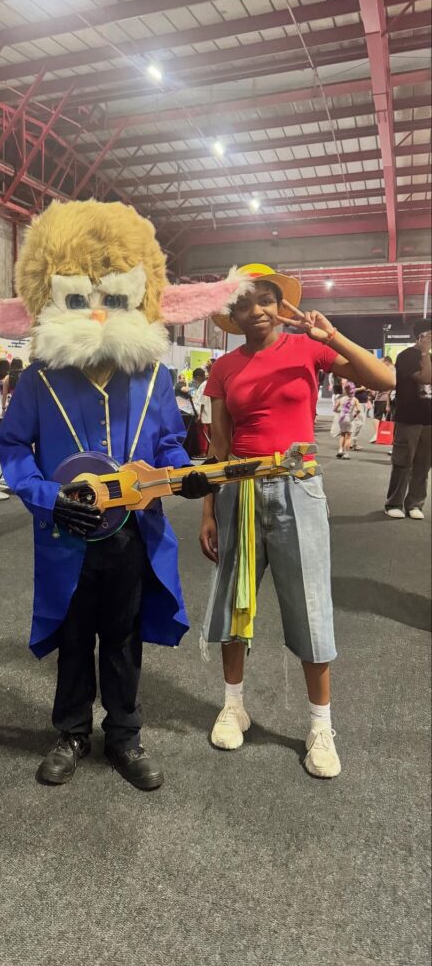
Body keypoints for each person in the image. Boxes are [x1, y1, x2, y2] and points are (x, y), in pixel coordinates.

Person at [0, 200, 225, 792]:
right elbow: (12, 447)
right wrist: (49, 497)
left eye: (111, 293)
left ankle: (124, 734)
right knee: (74, 637)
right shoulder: (39, 380)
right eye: (82, 293)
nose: (97, 309)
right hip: (66, 534)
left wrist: (185, 473)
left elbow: (168, 443)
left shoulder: (154, 377)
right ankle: (71, 731)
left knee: (122, 638)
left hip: (131, 535)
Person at [199, 263, 395, 779]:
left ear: (280, 304)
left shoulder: (310, 349)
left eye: (266, 300)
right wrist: (208, 510)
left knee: (310, 604)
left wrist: (332, 336)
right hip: (238, 490)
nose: (257, 311)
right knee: (235, 600)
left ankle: (320, 726)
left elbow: (387, 379)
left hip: (298, 487)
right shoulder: (224, 368)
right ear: (233, 315)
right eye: (245, 304)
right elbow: (219, 446)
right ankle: (233, 705)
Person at [384, 319, 432, 520]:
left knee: (423, 465)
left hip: (429, 420)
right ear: (421, 336)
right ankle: (393, 503)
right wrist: (424, 353)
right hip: (409, 418)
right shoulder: (406, 356)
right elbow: (425, 378)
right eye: (430, 335)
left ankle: (415, 504)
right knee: (403, 462)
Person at [331, 381, 363, 460]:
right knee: (348, 437)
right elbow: (359, 410)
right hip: (349, 418)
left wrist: (340, 411)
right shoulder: (355, 400)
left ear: (345, 390)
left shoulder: (341, 399)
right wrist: (354, 416)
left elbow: (334, 409)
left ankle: (340, 450)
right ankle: (346, 453)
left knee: (342, 435)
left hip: (341, 418)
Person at [369, 356, 394, 442]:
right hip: (391, 398)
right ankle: (389, 436)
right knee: (389, 419)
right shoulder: (395, 370)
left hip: (382, 397)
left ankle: (377, 434)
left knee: (377, 417)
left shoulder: (385, 371)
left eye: (381, 362)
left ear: (386, 362)